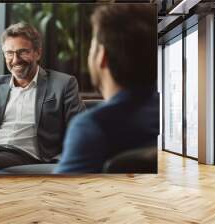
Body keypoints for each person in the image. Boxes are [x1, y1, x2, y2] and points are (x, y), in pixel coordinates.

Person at [0, 22, 85, 173]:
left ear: (38, 53)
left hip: (26, 155)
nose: (15, 59)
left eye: (22, 52)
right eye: (9, 53)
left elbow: (79, 127)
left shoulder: (63, 84)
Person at [54, 4, 159, 173]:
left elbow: (53, 196)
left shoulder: (91, 127)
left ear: (102, 55)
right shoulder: (167, 118)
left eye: (92, 45)